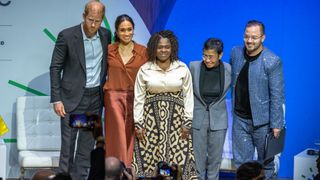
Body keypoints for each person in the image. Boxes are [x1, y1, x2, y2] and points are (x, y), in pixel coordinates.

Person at [49, 1, 111, 179]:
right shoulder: (67, 36)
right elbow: (55, 68)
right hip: (72, 99)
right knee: (68, 146)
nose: (93, 25)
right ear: (84, 16)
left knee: (86, 145)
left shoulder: (106, 35)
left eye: (97, 21)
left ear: (102, 20)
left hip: (94, 99)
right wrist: (57, 99)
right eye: (90, 19)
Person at [132, 30, 197, 179]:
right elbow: (139, 98)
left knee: (176, 164)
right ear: (154, 48)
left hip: (177, 124)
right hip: (150, 124)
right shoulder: (145, 69)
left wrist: (187, 122)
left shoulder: (182, 68)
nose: (163, 50)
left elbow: (188, 97)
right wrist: (138, 124)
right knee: (152, 163)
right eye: (160, 47)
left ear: (172, 48)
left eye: (167, 47)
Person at [230, 20, 285, 179]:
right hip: (240, 120)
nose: (249, 41)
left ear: (263, 38)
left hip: (264, 123)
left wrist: (276, 124)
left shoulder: (272, 60)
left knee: (267, 164)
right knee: (241, 164)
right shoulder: (235, 53)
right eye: (247, 36)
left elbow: (277, 94)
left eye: (254, 37)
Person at [103, 14, 148, 166]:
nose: (127, 33)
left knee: (131, 137)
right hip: (113, 98)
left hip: (136, 99)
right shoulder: (109, 50)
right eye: (122, 30)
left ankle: (129, 171)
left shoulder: (144, 51)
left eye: (129, 29)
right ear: (116, 31)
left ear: (134, 30)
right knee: (117, 138)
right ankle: (116, 172)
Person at [189, 38, 231, 180]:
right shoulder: (193, 66)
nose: (207, 60)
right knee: (198, 160)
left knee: (215, 161)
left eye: (211, 57)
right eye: (204, 55)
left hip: (219, 120)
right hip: (198, 118)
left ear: (220, 55)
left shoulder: (229, 69)